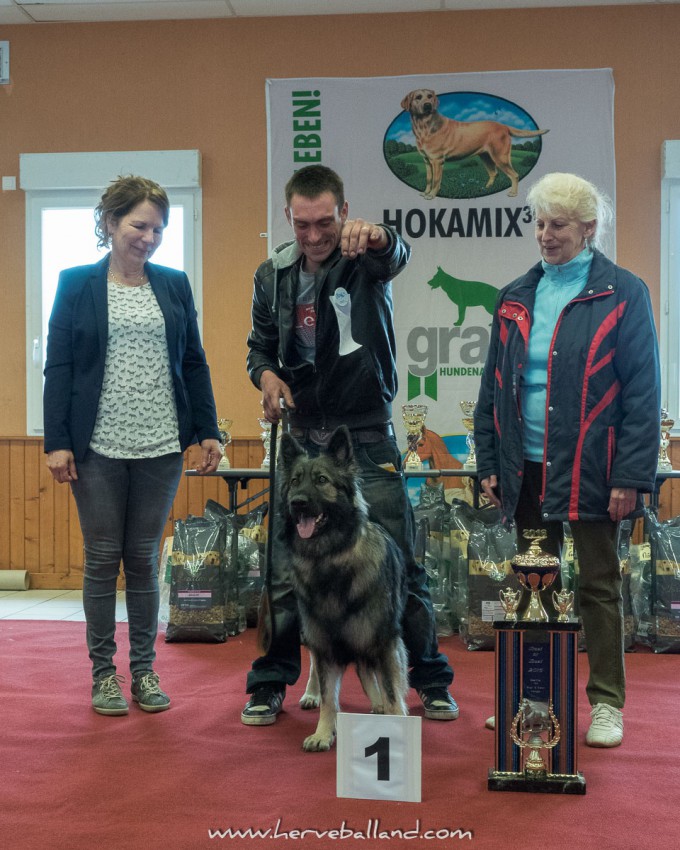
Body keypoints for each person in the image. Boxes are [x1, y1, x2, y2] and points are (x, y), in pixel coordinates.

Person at [242, 164, 458, 725]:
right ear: (287, 217)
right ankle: (269, 684)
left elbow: (397, 254)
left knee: (403, 566)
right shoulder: (271, 275)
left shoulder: (365, 257)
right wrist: (266, 378)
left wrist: (382, 236)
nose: (313, 236)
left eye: (325, 222)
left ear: (344, 211)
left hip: (365, 436)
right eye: (301, 223)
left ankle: (430, 680)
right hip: (299, 438)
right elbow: (259, 350)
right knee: (284, 573)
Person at [474, 172, 660, 748]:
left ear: (588, 229)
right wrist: (488, 463)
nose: (545, 236)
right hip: (525, 469)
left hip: (595, 470)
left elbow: (643, 395)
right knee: (535, 584)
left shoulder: (625, 293)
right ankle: (534, 699)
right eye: (539, 223)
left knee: (598, 586)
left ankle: (606, 703)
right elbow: (494, 388)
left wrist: (631, 476)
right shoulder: (513, 296)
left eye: (558, 225)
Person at [43, 175, 222, 716]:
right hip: (95, 444)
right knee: (102, 559)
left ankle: (143, 671)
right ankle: (103, 676)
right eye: (138, 225)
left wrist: (208, 429)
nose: (148, 237)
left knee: (143, 560)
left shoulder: (173, 284)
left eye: (158, 228)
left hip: (161, 443)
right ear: (109, 224)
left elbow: (193, 361)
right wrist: (57, 441)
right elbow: (60, 366)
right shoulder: (75, 283)